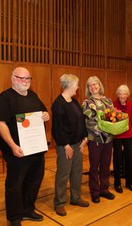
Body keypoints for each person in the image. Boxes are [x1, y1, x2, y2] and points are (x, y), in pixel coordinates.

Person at [0, 67, 49, 226]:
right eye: (21, 78)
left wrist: (46, 115)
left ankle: (28, 210)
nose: (25, 82)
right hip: (17, 150)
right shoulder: (5, 98)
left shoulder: (33, 95)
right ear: (12, 78)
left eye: (28, 79)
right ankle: (14, 217)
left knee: (34, 181)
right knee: (15, 185)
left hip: (36, 148)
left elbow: (43, 113)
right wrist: (12, 146)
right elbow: (0, 123)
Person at [52, 74, 89, 216]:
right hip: (65, 146)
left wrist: (85, 138)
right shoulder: (58, 104)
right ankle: (59, 203)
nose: (78, 87)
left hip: (78, 143)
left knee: (77, 172)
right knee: (63, 174)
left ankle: (76, 197)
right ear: (69, 86)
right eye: (77, 85)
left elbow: (81, 120)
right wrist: (66, 145)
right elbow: (57, 128)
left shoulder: (74, 101)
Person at [82, 76, 115, 203]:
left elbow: (112, 117)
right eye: (90, 85)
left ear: (99, 85)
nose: (93, 87)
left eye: (95, 84)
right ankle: (95, 191)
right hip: (94, 139)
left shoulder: (108, 100)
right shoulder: (86, 103)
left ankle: (104, 189)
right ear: (88, 88)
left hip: (108, 138)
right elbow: (86, 122)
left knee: (106, 165)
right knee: (94, 166)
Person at [112, 85, 132, 193]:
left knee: (129, 159)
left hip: (128, 135)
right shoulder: (113, 104)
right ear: (118, 94)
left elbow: (131, 121)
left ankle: (129, 182)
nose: (123, 96)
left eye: (125, 94)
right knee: (117, 160)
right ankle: (117, 183)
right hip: (117, 135)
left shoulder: (131, 105)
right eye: (121, 94)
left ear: (128, 95)